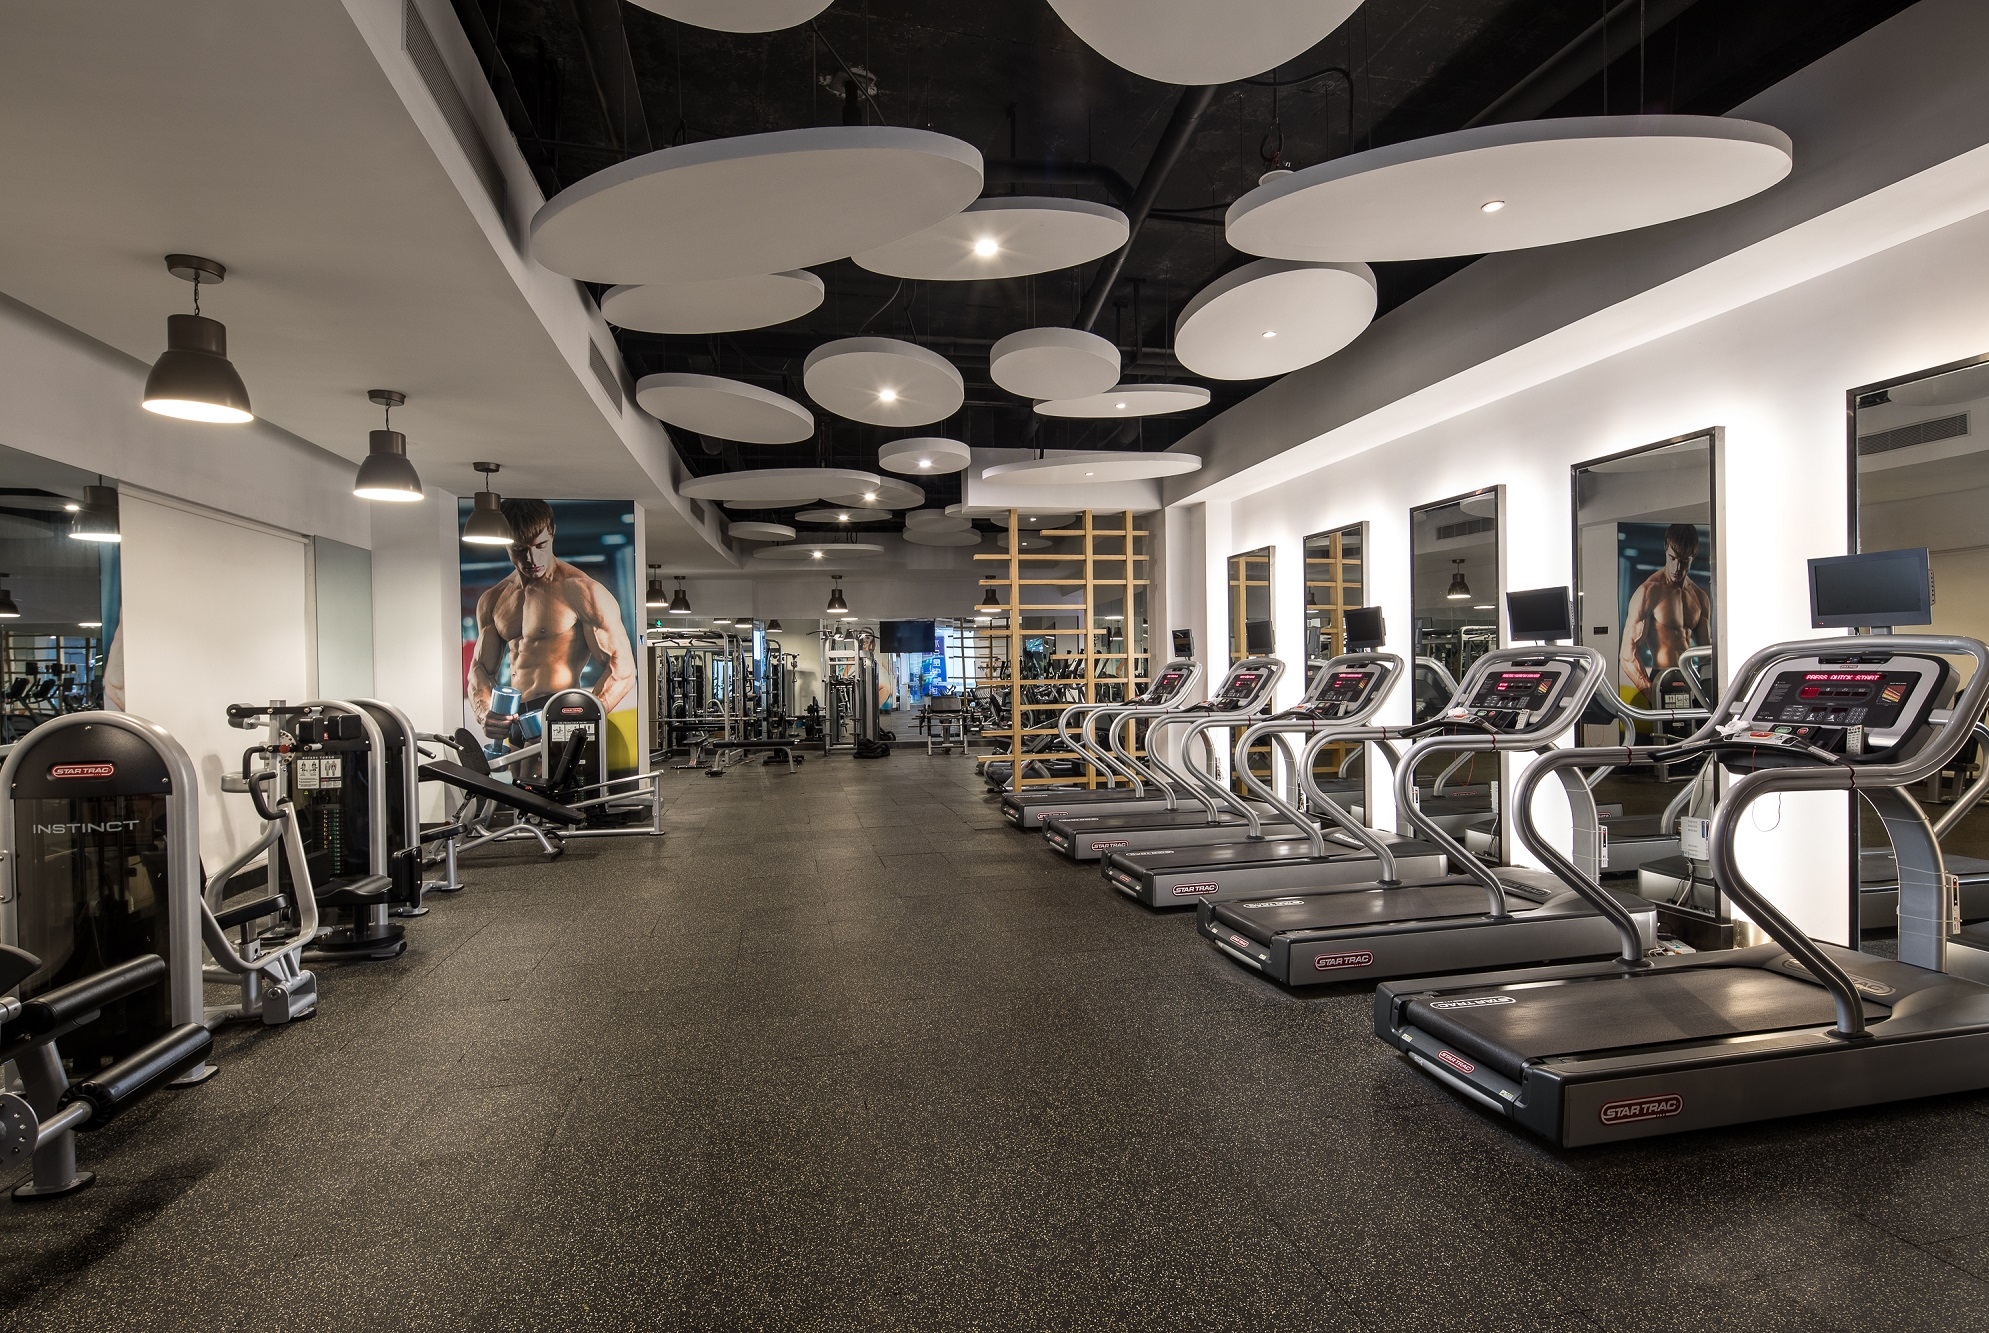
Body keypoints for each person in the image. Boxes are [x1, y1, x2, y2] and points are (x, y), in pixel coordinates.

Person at [469, 498, 636, 738]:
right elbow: (480, 669)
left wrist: (585, 721)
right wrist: (485, 712)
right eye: (520, 549)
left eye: (541, 546)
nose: (532, 559)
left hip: (561, 711)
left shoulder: (582, 591)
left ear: (552, 532)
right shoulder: (494, 599)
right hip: (516, 719)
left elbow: (622, 669)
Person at [1619, 522, 1712, 702]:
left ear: (1693, 557)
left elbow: (1705, 656)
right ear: (1665, 550)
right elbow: (1627, 654)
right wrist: (1650, 692)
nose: (1677, 568)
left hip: (1692, 681)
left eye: (1684, 561)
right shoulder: (1649, 592)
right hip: (1661, 679)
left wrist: (1708, 693)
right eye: (1672, 558)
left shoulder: (1700, 597)